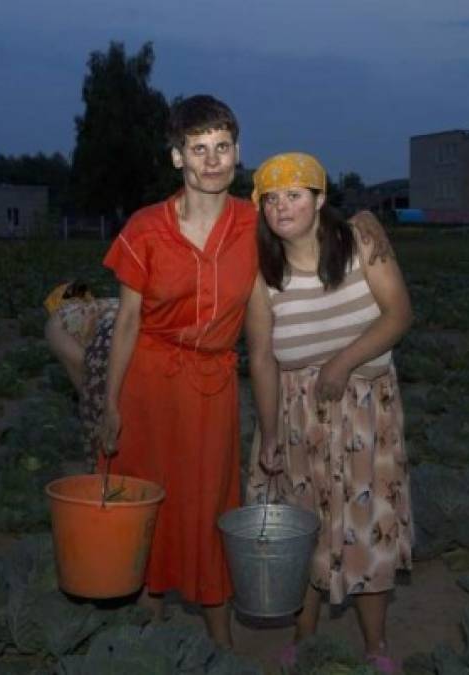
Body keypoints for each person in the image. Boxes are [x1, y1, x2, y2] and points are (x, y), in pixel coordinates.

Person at [99, 95, 391, 648]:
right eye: (198, 149)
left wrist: (362, 230)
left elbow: (307, 231)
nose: (211, 161)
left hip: (211, 384)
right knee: (145, 500)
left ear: (237, 155)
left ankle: (220, 636)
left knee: (210, 504)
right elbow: (129, 322)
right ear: (177, 158)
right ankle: (147, 624)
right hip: (146, 383)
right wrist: (111, 403)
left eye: (222, 148)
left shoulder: (252, 224)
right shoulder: (144, 228)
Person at [244, 152, 414, 672]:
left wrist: (341, 363)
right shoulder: (263, 271)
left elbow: (399, 314)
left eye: (294, 194)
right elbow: (261, 358)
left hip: (366, 409)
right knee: (304, 528)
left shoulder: (362, 241)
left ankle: (376, 647)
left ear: (319, 200)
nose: (282, 207)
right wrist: (269, 434)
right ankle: (304, 637)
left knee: (370, 527)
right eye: (271, 199)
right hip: (297, 418)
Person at [43, 280, 119, 463]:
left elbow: (84, 366)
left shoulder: (55, 323)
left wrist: (91, 407)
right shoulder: (107, 303)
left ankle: (101, 470)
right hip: (143, 336)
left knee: (99, 422)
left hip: (109, 345)